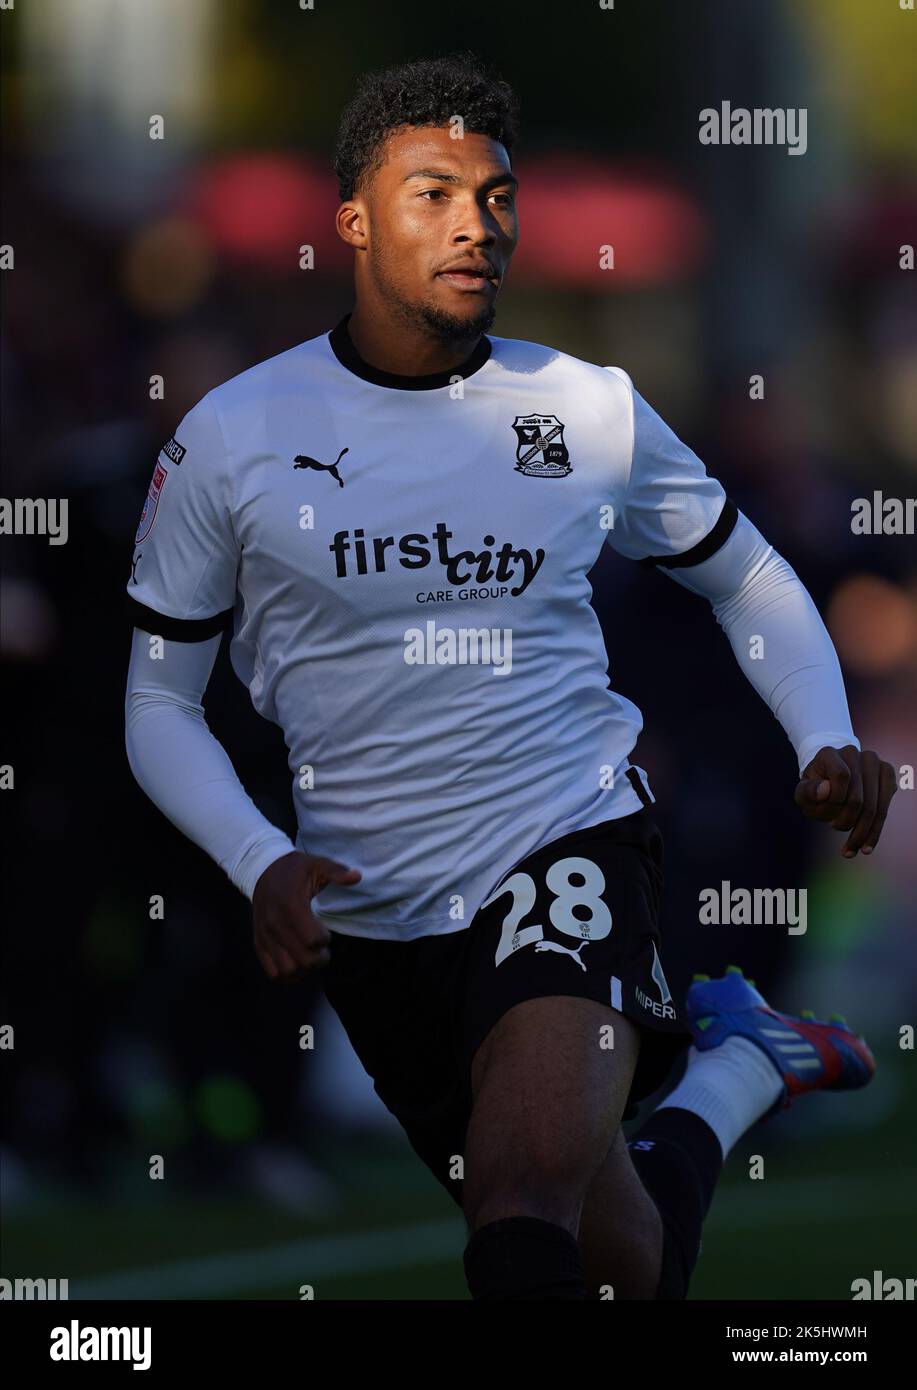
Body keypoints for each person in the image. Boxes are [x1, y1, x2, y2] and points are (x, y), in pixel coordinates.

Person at [124, 53, 897, 1299]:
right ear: (354, 220)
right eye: (431, 193)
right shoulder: (230, 437)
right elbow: (157, 700)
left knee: (520, 1194)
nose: (475, 224)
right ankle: (735, 1071)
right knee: (611, 1268)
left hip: (565, 839)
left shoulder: (585, 407)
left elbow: (748, 577)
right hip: (372, 915)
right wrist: (255, 856)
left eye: (494, 196)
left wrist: (820, 733)